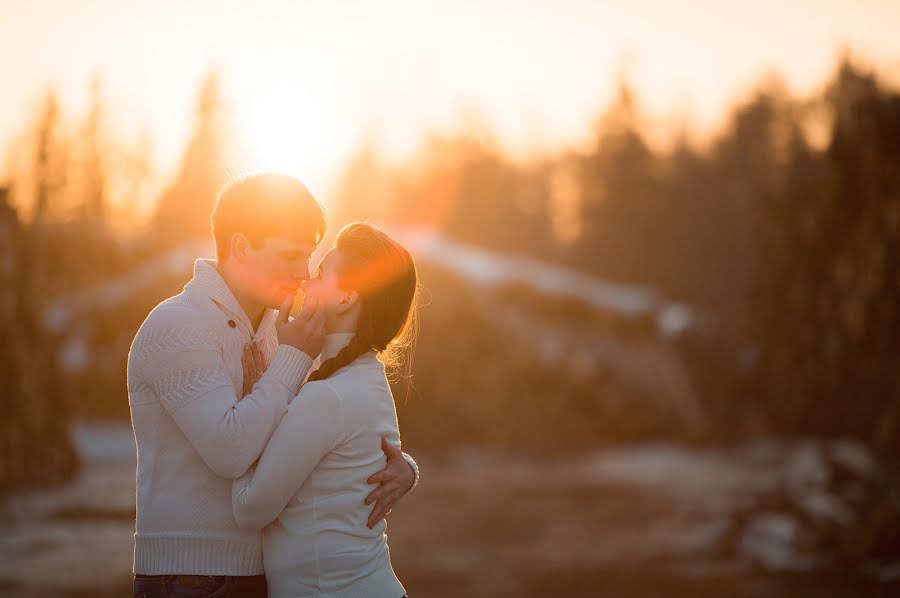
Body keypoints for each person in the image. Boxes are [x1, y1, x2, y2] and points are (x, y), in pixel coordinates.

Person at [127, 174, 418, 598]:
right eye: (289, 256)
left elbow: (338, 418)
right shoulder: (177, 326)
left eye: (309, 259)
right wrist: (292, 358)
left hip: (263, 577)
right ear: (241, 247)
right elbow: (231, 451)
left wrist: (405, 467)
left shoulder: (284, 333)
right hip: (188, 579)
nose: (302, 274)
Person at [232, 222, 418, 598]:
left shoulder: (328, 395)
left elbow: (249, 510)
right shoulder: (364, 378)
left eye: (319, 275)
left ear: (347, 298)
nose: (305, 284)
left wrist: (250, 403)